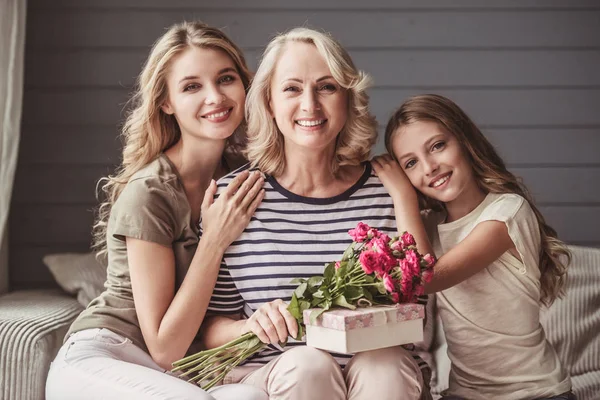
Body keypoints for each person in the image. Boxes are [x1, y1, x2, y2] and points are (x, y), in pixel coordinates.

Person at [198, 27, 430, 400]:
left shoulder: (389, 189)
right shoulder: (235, 197)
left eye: (326, 87)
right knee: (310, 365)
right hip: (277, 374)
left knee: (383, 363)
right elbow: (208, 327)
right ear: (270, 102)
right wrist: (251, 326)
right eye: (292, 88)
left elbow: (416, 303)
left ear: (347, 98)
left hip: (384, 376)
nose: (310, 105)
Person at [46, 21, 268, 400]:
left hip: (186, 369)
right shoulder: (150, 193)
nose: (215, 97)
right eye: (192, 86)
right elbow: (165, 348)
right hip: (107, 355)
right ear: (166, 102)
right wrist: (213, 240)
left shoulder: (242, 177)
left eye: (226, 78)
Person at [372, 93, 575, 400]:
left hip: (535, 393)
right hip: (464, 394)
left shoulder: (508, 212)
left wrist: (403, 196)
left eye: (438, 146)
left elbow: (427, 278)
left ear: (464, 141)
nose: (429, 167)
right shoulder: (426, 227)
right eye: (411, 163)